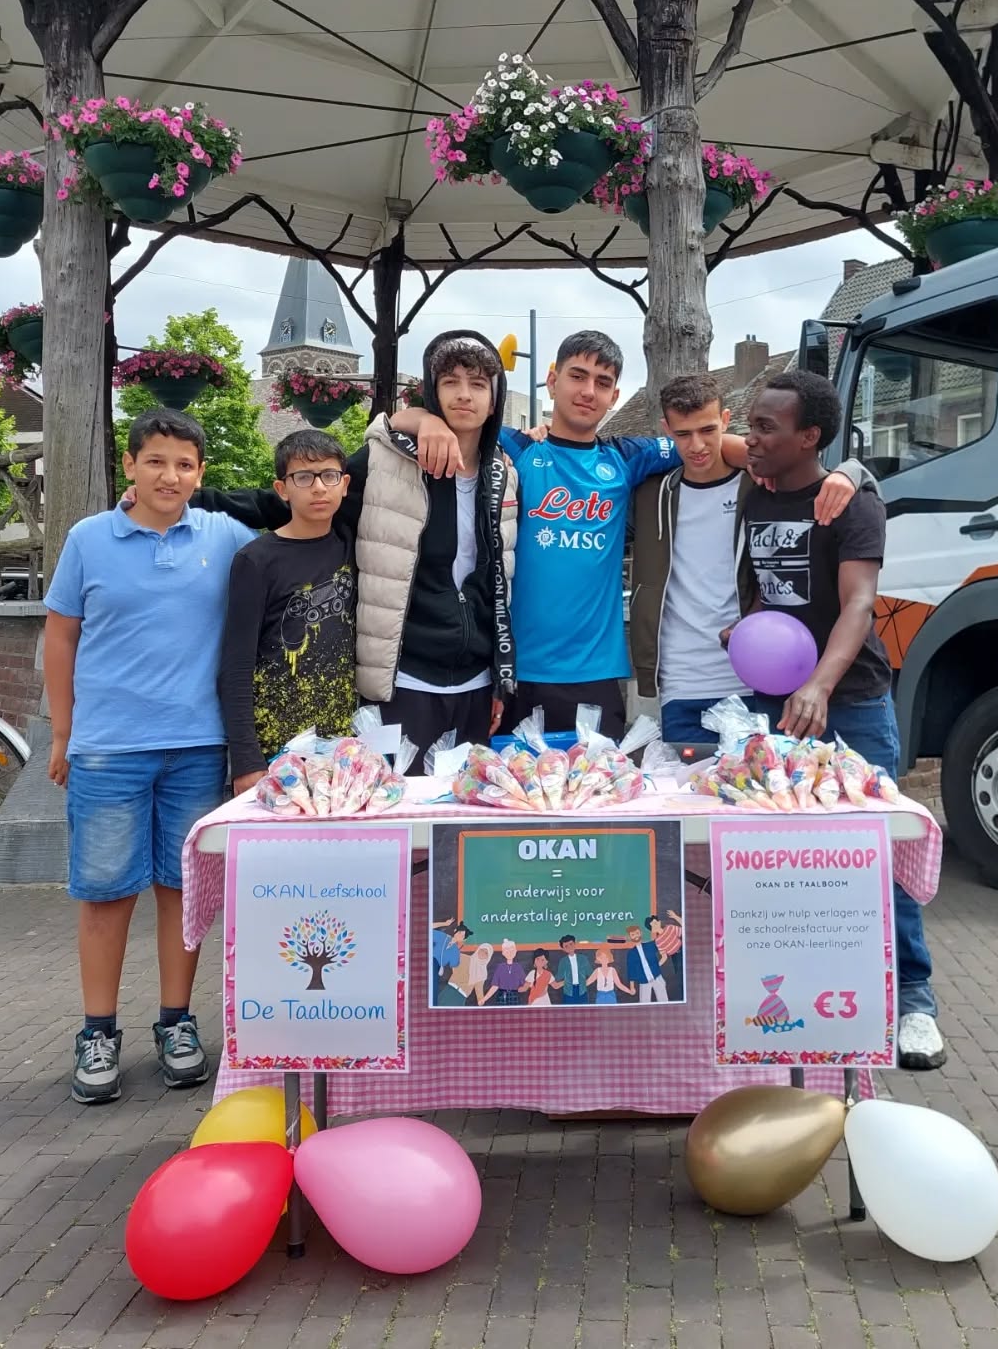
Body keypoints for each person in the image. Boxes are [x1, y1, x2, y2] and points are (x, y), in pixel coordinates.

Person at [43, 409, 257, 1106]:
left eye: (185, 464)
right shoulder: (88, 538)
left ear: (200, 473)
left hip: (197, 746)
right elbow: (60, 636)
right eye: (157, 461)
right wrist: (62, 733)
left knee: (182, 891)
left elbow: (297, 541)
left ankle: (176, 1021)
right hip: (108, 749)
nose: (171, 476)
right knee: (106, 893)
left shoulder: (223, 536)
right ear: (130, 465)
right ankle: (97, 1031)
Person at [735, 368, 946, 1070]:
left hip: (849, 699)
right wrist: (747, 631)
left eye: (765, 427)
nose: (749, 437)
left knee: (878, 849)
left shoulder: (854, 505)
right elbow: (707, 444)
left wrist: (819, 685)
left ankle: (914, 1000)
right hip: (772, 699)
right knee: (776, 853)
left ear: (810, 437)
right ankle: (794, 992)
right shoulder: (756, 485)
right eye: (750, 423)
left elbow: (858, 603)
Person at [397, 332, 741, 740]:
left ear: (614, 397)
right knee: (509, 780)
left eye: (602, 382)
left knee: (596, 781)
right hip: (514, 672)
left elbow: (707, 443)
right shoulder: (516, 447)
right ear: (552, 381)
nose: (588, 391)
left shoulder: (626, 458)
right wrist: (429, 421)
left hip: (597, 674)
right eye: (577, 376)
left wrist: (770, 462)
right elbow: (397, 421)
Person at [631, 373, 863, 743]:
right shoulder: (649, 495)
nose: (697, 445)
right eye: (683, 434)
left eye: (708, 430)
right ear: (667, 430)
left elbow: (817, 477)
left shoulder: (759, 487)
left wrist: (852, 472)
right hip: (680, 684)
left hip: (753, 679)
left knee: (757, 780)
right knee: (687, 783)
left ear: (725, 421)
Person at [345, 332, 518, 766]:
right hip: (402, 682)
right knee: (397, 804)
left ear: (494, 402)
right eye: (450, 382)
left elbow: (497, 584)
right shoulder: (385, 461)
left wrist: (499, 676)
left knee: (469, 804)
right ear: (433, 394)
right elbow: (314, 503)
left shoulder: (506, 476)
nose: (464, 394)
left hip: (477, 685)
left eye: (478, 384)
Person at [217, 431, 356, 794]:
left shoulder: (353, 544)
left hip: (343, 746)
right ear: (282, 489)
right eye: (303, 477)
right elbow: (236, 664)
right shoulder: (256, 559)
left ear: (344, 484)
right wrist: (246, 758)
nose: (319, 488)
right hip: (275, 746)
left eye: (329, 476)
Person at [607, 920, 669, 1003]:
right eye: (632, 935)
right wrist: (632, 987)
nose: (635, 936)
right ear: (630, 937)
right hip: (643, 982)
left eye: (637, 933)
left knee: (664, 1001)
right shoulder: (631, 953)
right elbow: (631, 971)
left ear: (641, 933)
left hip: (657, 978)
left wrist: (658, 964)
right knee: (644, 1003)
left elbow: (663, 950)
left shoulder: (650, 945)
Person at [430, 918, 477, 1005]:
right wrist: (444, 923)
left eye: (462, 936)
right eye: (459, 933)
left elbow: (455, 968)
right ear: (455, 931)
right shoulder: (443, 937)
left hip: (436, 972)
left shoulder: (455, 952)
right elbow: (428, 929)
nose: (459, 936)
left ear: (463, 940)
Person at [487, 938, 527, 1006]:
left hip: (514, 996)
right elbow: (495, 986)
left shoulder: (518, 967)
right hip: (502, 996)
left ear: (516, 951)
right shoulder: (500, 967)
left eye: (512, 950)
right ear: (503, 953)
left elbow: (525, 984)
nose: (510, 952)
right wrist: (484, 999)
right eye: (507, 950)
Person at [554, 933, 586, 1004]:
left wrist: (584, 983)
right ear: (563, 949)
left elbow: (590, 973)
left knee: (583, 1009)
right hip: (569, 991)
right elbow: (559, 976)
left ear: (575, 944)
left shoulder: (582, 958)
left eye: (571, 944)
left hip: (581, 990)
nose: (569, 947)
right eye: (566, 946)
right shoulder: (563, 961)